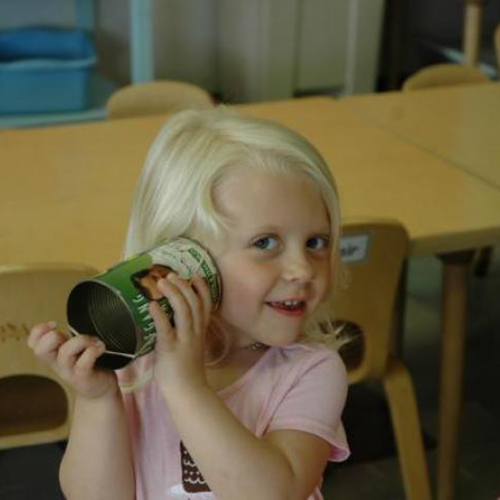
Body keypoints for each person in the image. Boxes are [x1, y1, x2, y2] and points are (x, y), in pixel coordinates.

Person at [28, 107, 350, 500]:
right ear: (179, 255)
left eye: (317, 242)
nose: (302, 268)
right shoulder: (137, 365)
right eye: (265, 242)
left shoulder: (310, 370)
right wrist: (98, 399)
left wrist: (184, 384)